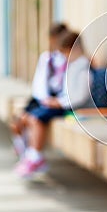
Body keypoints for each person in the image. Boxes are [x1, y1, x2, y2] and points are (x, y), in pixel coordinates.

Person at [14, 30, 93, 178]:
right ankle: (31, 155)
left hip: (70, 107)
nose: (63, 56)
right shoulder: (73, 65)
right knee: (29, 117)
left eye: (65, 52)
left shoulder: (82, 68)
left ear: (74, 49)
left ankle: (35, 156)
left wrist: (59, 103)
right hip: (61, 103)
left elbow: (80, 96)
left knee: (36, 118)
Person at [10, 23, 68, 159]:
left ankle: (32, 155)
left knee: (31, 119)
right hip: (42, 98)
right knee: (18, 121)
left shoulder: (68, 60)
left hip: (54, 100)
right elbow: (39, 84)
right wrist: (44, 100)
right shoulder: (48, 58)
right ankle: (26, 152)